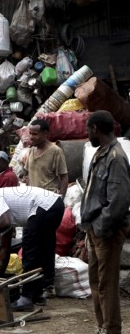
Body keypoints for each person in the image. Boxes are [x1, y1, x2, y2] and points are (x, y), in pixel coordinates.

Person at [0, 186, 65, 311]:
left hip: (44, 206)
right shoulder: (2, 213)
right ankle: (37, 294)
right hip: (56, 204)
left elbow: (5, 223)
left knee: (30, 252)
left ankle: (26, 298)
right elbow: (5, 250)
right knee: (42, 250)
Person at [81, 111, 130, 334]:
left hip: (107, 231)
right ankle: (103, 327)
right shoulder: (101, 152)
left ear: (95, 129)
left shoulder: (116, 157)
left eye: (87, 129)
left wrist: (101, 228)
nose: (86, 133)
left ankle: (111, 329)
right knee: (96, 281)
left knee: (107, 284)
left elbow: (118, 201)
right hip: (95, 229)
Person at [23, 119, 69, 198]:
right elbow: (27, 174)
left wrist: (60, 198)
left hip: (48, 198)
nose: (31, 137)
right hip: (33, 198)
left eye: (35, 134)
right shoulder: (31, 150)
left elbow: (64, 177)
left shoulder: (55, 151)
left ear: (45, 133)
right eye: (30, 133)